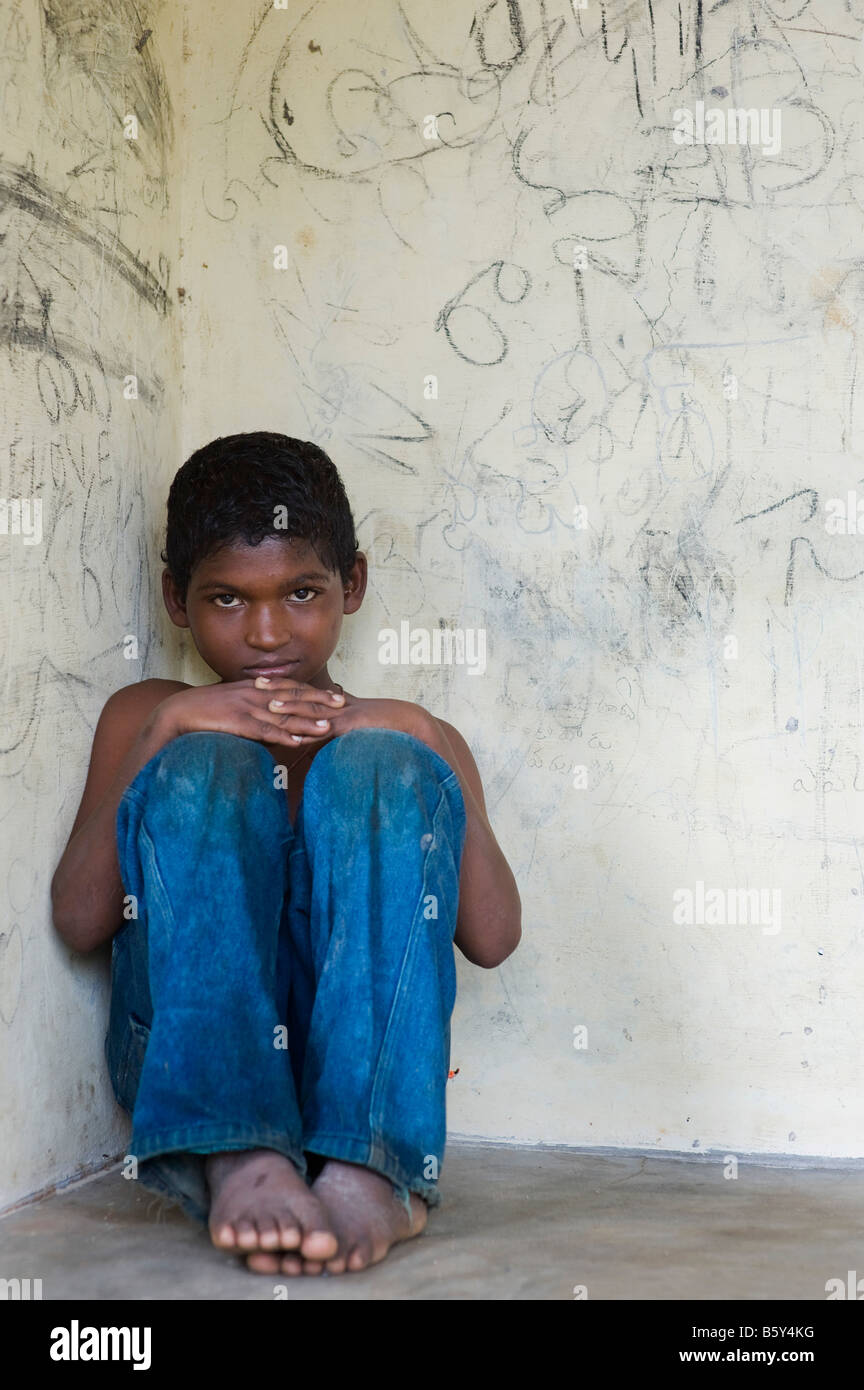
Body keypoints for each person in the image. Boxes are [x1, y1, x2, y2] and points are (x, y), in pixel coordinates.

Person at [51, 431, 521, 1276]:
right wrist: (166, 732)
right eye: (227, 600)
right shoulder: (147, 713)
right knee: (207, 764)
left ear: (354, 585)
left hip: (362, 1065)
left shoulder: (406, 735)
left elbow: (492, 937)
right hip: (189, 1060)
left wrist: (423, 736)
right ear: (175, 600)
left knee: (380, 764)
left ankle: (369, 1165)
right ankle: (237, 1149)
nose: (267, 633)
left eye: (301, 591)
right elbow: (82, 920)